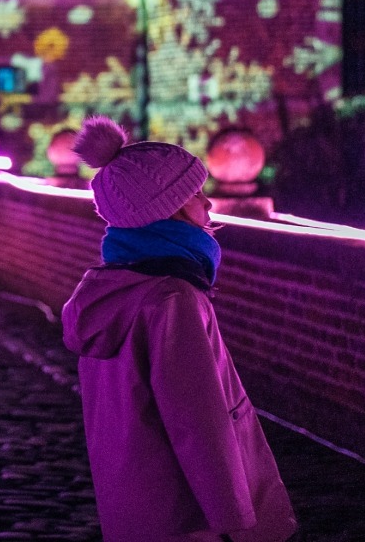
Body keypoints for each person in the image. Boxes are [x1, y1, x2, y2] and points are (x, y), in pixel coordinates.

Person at [61, 116, 297, 542]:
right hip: (194, 516)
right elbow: (199, 421)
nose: (208, 205)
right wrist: (236, 522)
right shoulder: (174, 299)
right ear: (164, 209)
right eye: (195, 195)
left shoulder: (113, 291)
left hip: (139, 505)